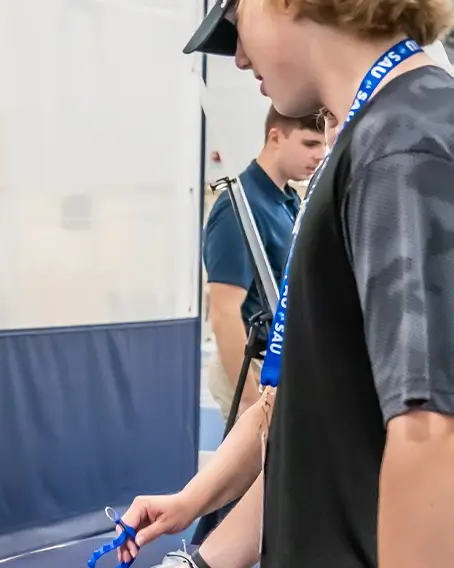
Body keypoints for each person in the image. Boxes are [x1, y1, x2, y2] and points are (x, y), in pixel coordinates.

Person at [121, 0, 454, 566]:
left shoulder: (401, 147)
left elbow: (430, 431)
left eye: (238, 19)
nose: (240, 56)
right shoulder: (377, 141)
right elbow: (316, 424)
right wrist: (201, 557)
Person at [202, 106, 325, 422]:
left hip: (283, 363)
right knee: (255, 471)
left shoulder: (289, 202)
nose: (319, 155)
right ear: (276, 136)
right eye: (310, 144)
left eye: (324, 145)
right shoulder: (237, 207)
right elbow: (224, 312)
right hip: (250, 367)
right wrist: (249, 399)